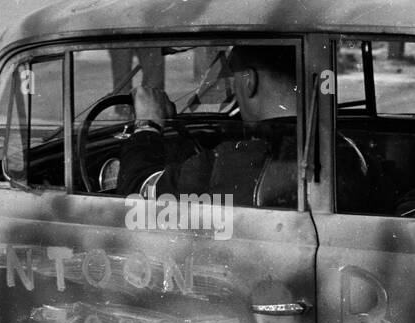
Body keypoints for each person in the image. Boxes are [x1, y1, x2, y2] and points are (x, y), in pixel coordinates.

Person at [116, 45, 299, 205]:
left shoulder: (227, 164)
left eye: (234, 79)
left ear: (249, 81)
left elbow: (137, 198)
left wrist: (147, 126)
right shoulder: (319, 142)